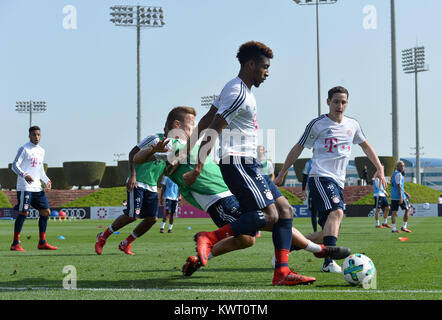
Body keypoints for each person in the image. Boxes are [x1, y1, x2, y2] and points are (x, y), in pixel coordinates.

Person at [181, 42, 350, 286]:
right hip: (238, 162)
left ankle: (282, 272)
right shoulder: (238, 92)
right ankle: (209, 237)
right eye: (264, 67)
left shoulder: (238, 89)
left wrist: (189, 148)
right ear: (250, 65)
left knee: (285, 212)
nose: (267, 72)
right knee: (270, 215)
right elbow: (215, 124)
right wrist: (197, 165)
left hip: (247, 163)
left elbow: (207, 117)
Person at [134, 106, 349, 278]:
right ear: (177, 125)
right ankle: (319, 250)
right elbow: (138, 157)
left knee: (247, 240)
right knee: (277, 220)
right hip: (220, 201)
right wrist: (153, 150)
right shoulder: (172, 143)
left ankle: (200, 258)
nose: (196, 127)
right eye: (192, 123)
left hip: (231, 194)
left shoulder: (192, 146)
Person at [274, 86, 387, 274]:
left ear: (347, 104)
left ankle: (285, 250)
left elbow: (366, 146)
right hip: (320, 177)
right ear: (328, 102)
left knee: (327, 232)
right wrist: (282, 172)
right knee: (337, 212)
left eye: (343, 102)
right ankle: (328, 262)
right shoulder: (317, 124)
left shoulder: (353, 125)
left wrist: (380, 168)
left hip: (338, 182)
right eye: (336, 101)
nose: (339, 106)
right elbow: (298, 147)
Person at [94, 134, 168, 255]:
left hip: (152, 186)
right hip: (137, 182)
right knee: (132, 215)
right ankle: (103, 237)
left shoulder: (177, 147)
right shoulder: (155, 138)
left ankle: (126, 243)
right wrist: (132, 175)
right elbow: (132, 153)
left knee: (152, 219)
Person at [10, 126, 57, 251]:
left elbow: (40, 170)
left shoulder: (41, 150)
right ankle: (15, 243)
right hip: (25, 187)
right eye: (34, 135)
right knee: (23, 212)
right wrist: (25, 175)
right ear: (29, 136)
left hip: (37, 188)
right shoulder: (24, 149)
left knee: (46, 212)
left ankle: (42, 242)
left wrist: (47, 180)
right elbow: (14, 165)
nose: (36, 137)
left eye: (38, 135)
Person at [390, 161, 412, 233]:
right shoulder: (399, 174)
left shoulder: (394, 174)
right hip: (399, 196)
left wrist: (405, 193)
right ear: (397, 166)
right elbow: (399, 187)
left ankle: (393, 229)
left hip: (393, 196)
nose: (403, 167)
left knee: (394, 213)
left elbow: (398, 186)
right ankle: (404, 226)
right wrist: (401, 197)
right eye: (401, 166)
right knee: (408, 209)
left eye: (403, 166)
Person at [301, 159, 319, 232]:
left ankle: (325, 231)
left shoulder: (325, 160)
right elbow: (305, 177)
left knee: (324, 212)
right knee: (314, 212)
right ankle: (315, 231)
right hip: (312, 191)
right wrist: (303, 190)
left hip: (324, 190)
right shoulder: (308, 163)